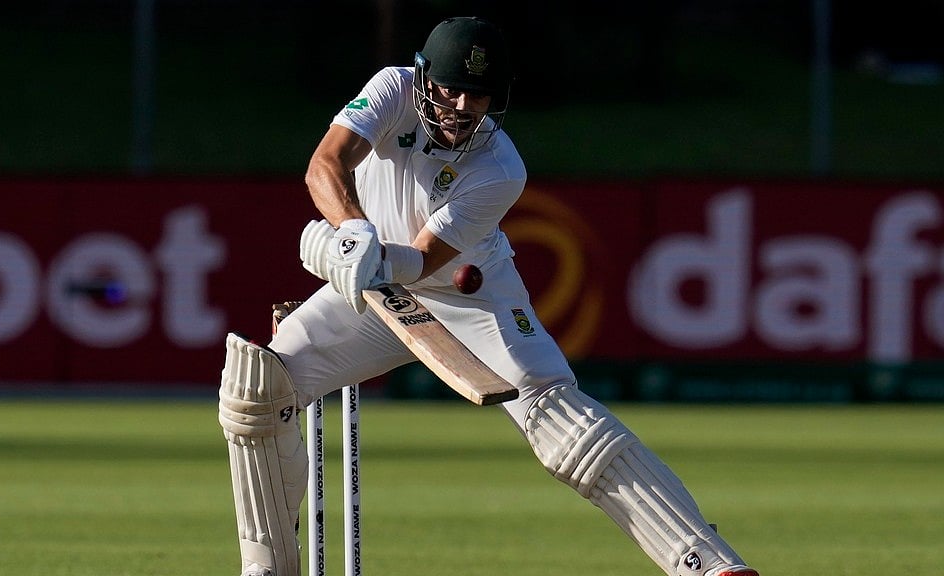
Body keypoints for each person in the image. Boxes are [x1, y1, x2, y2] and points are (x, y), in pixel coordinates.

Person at [217, 16, 761, 576]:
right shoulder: (390, 89)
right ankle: (269, 568)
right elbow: (325, 165)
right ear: (423, 76)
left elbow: (423, 259)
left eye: (477, 95)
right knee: (257, 388)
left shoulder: (501, 167)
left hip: (470, 296)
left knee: (560, 422)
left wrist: (359, 253)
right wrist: (355, 233)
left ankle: (709, 565)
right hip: (374, 294)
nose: (460, 106)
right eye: (450, 88)